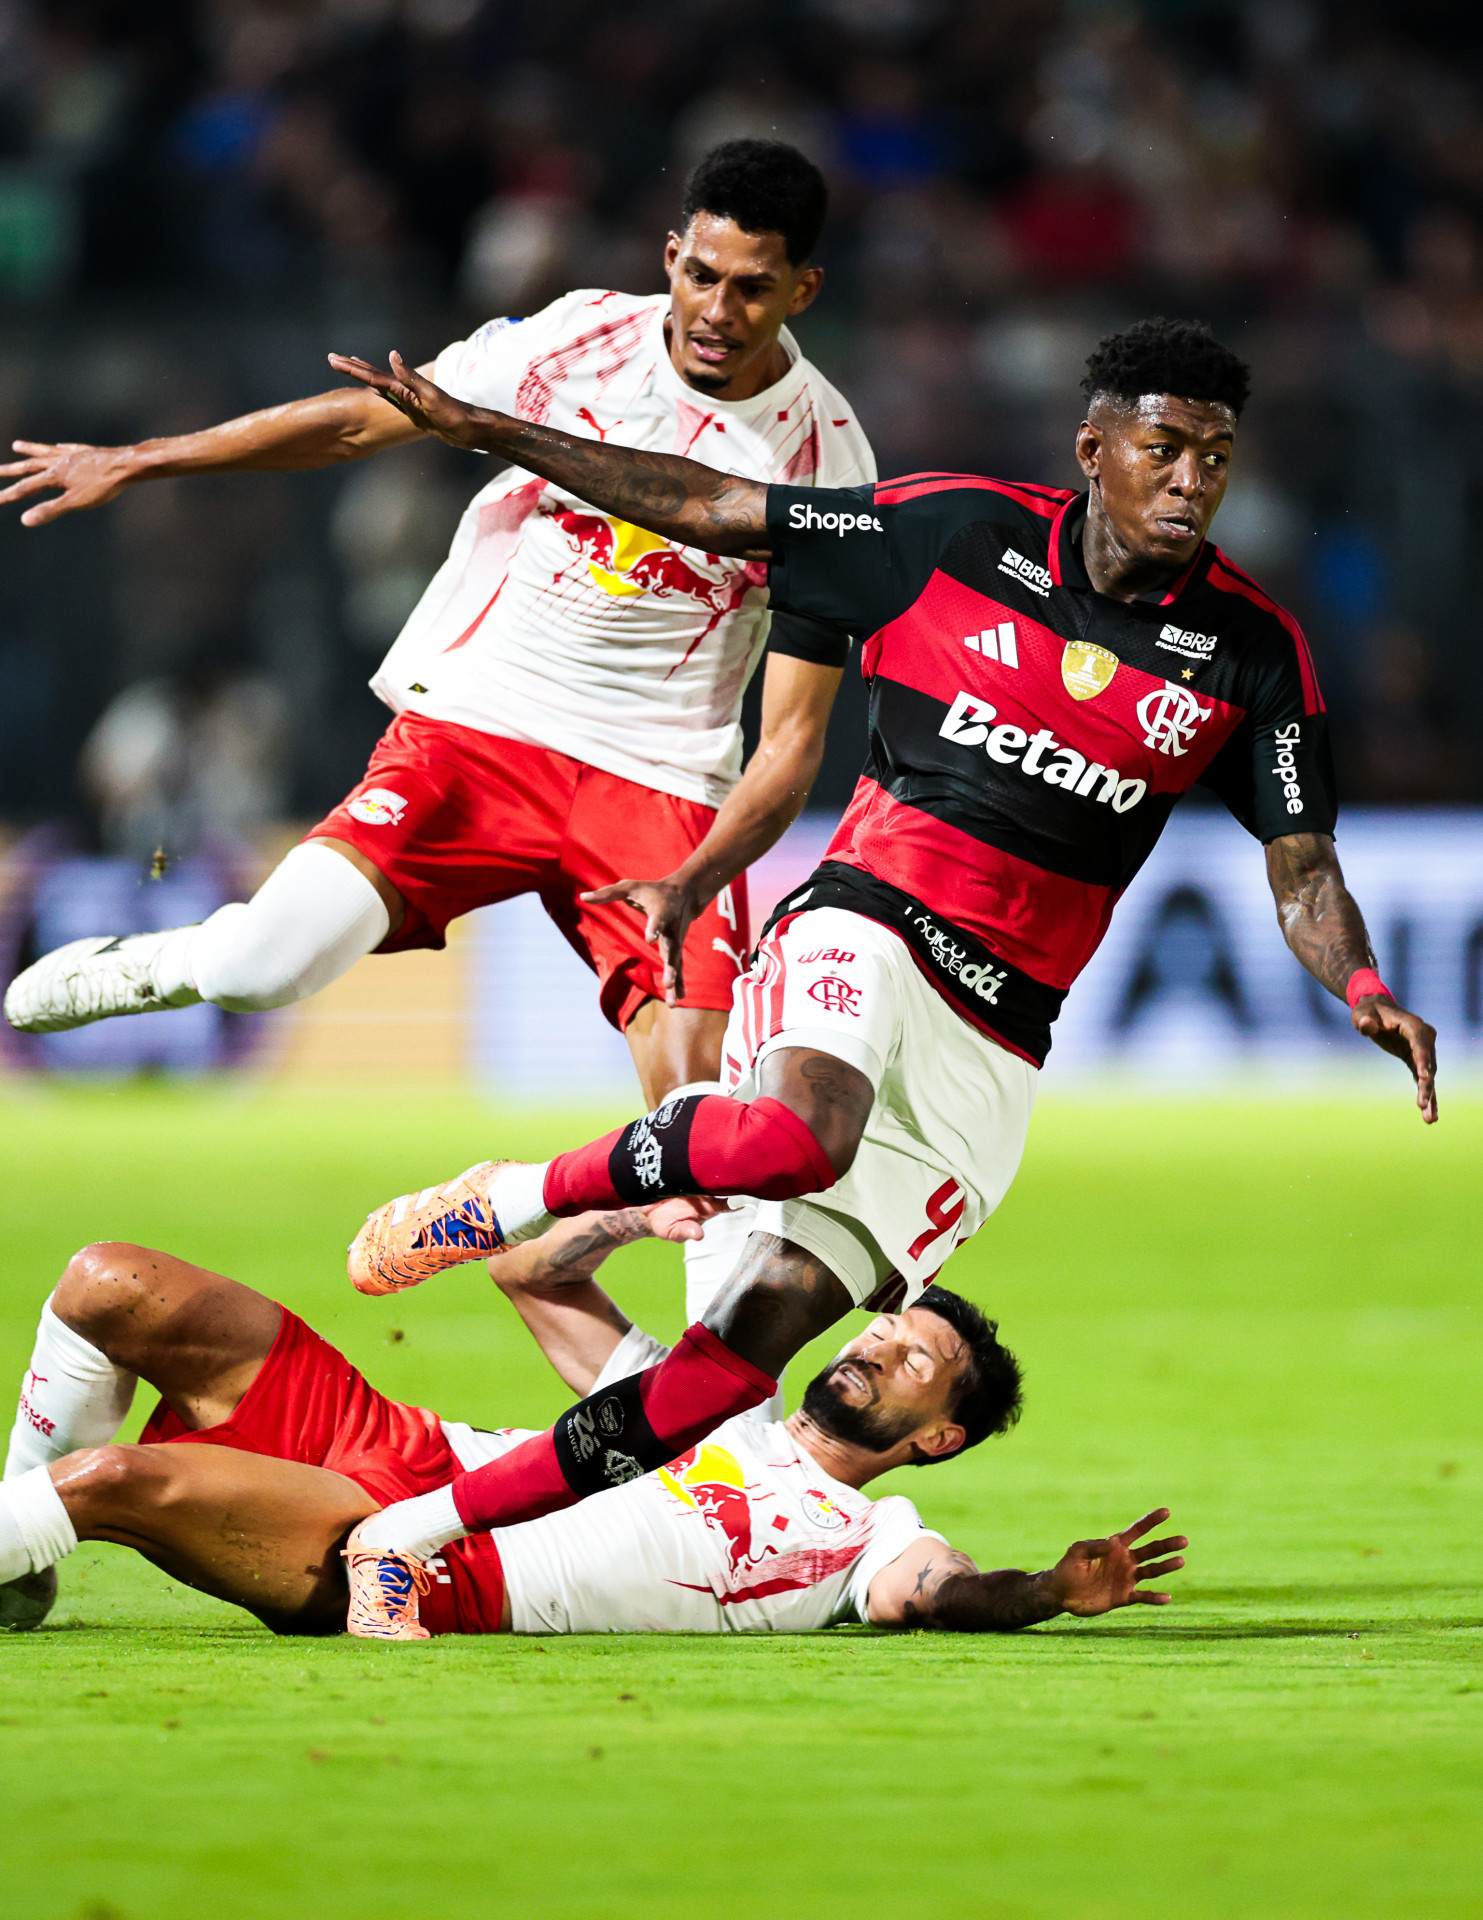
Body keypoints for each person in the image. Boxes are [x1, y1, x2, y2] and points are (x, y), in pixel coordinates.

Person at [301, 316, 1436, 1620]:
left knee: (726, 1377)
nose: (1191, 481)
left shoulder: (1250, 647)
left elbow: (1302, 869)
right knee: (796, 1138)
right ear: (1092, 451)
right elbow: (716, 506)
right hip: (868, 920)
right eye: (1163, 448)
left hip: (995, 1039)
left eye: (1214, 458)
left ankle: (408, 1539)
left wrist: (1361, 988)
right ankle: (502, 1199)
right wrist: (487, 430)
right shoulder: (948, 528)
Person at [0, 139, 876, 1355]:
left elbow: (791, 738)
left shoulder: (828, 460)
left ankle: (703, 1436)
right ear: (671, 254)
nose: (717, 312)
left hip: (661, 781)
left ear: (802, 290)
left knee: (707, 1131)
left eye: (753, 288)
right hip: (482, 727)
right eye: (702, 275)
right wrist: (146, 458)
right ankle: (169, 961)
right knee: (266, 965)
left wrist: (704, 869)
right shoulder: (575, 340)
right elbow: (364, 423)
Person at [0, 1236, 1186, 1639]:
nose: (874, 1349)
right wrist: (637, 1209)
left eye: (913, 1360)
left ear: (937, 1438)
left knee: (113, 1479)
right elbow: (528, 1269)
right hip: (400, 1446)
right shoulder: (702, 1400)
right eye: (883, 1331)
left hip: (425, 1565)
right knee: (111, 1283)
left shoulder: (869, 1534)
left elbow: (941, 1594)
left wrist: (1042, 1592)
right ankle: (21, 1572)